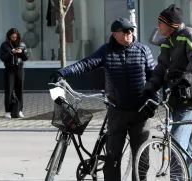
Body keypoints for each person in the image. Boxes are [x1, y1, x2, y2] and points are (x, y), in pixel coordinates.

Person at [50, 18, 156, 181]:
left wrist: (153, 99)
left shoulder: (143, 50)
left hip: (140, 111)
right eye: (126, 31)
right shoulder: (106, 51)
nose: (129, 34)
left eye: (131, 31)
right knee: (112, 157)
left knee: (142, 157)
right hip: (117, 110)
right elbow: (85, 64)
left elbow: (154, 77)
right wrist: (62, 73)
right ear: (115, 34)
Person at [142, 4, 192, 181]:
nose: (158, 27)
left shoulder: (189, 35)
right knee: (187, 143)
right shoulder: (169, 41)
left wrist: (185, 82)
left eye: (160, 23)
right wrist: (150, 87)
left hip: (189, 96)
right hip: (175, 98)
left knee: (176, 145)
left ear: (171, 24)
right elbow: (161, 67)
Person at [0, 28, 29, 118]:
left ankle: (19, 110)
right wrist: (11, 52)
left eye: (16, 37)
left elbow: (26, 58)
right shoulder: (4, 45)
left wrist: (21, 52)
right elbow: (3, 58)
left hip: (19, 69)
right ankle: (8, 111)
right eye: (12, 37)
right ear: (9, 36)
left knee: (19, 89)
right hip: (9, 69)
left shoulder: (22, 44)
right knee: (9, 90)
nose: (14, 39)